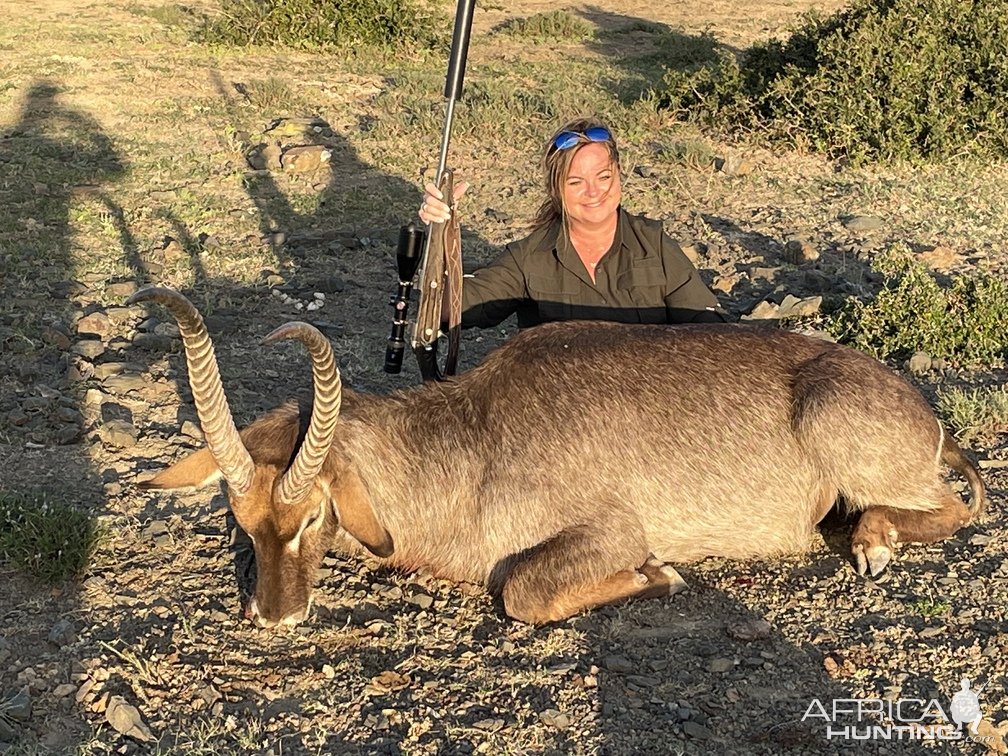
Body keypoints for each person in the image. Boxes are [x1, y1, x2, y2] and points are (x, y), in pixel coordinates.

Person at [418, 116, 724, 329]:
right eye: (576, 182)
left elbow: (709, 332)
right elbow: (450, 309)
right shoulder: (528, 258)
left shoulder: (655, 245)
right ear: (556, 190)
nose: (594, 193)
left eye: (603, 177)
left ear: (619, 176)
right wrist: (440, 237)